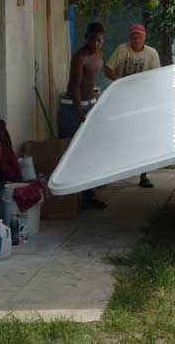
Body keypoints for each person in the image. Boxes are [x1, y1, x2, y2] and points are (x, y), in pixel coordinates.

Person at [104, 24, 161, 188]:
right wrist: (119, 81)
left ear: (145, 37)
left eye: (139, 36)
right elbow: (108, 69)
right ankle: (113, 173)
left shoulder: (151, 53)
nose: (136, 39)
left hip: (143, 101)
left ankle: (144, 176)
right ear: (130, 37)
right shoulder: (122, 49)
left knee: (143, 138)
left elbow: (156, 77)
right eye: (133, 36)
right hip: (122, 100)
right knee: (121, 136)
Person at [58, 22, 107, 209]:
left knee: (90, 150)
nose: (96, 43)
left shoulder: (99, 55)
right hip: (73, 109)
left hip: (89, 105)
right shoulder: (80, 57)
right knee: (72, 151)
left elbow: (91, 83)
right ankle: (71, 196)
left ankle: (88, 194)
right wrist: (80, 112)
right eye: (93, 39)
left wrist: (95, 102)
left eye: (99, 40)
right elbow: (75, 86)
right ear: (86, 37)